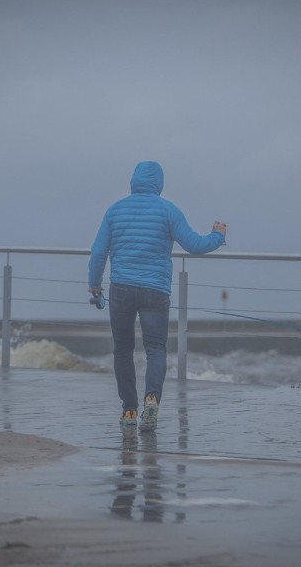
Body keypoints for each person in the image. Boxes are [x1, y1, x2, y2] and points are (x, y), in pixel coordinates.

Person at [88, 161, 227, 431]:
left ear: (133, 180)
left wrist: (95, 284)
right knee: (155, 349)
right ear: (159, 183)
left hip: (121, 291)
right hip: (155, 291)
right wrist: (218, 236)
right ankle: (152, 398)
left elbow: (98, 252)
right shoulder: (168, 210)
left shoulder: (115, 210)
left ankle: (129, 411)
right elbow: (194, 244)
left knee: (123, 349)